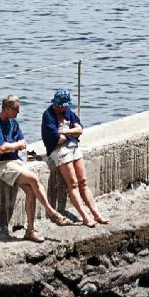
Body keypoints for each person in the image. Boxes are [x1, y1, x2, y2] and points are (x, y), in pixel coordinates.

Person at [0, 94, 72, 240]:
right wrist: (14, 146)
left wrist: (12, 146)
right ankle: (51, 213)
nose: (18, 113)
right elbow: (1, 148)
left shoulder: (13, 123)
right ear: (7, 109)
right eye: (16, 110)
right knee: (33, 178)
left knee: (30, 189)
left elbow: (23, 142)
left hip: (14, 162)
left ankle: (30, 230)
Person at [42, 90, 106, 227]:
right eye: (64, 106)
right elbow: (56, 139)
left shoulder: (68, 112)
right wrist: (73, 133)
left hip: (73, 147)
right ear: (57, 105)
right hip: (59, 150)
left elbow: (80, 129)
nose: (66, 108)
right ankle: (84, 216)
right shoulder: (48, 116)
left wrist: (66, 132)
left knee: (83, 181)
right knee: (73, 183)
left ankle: (96, 213)